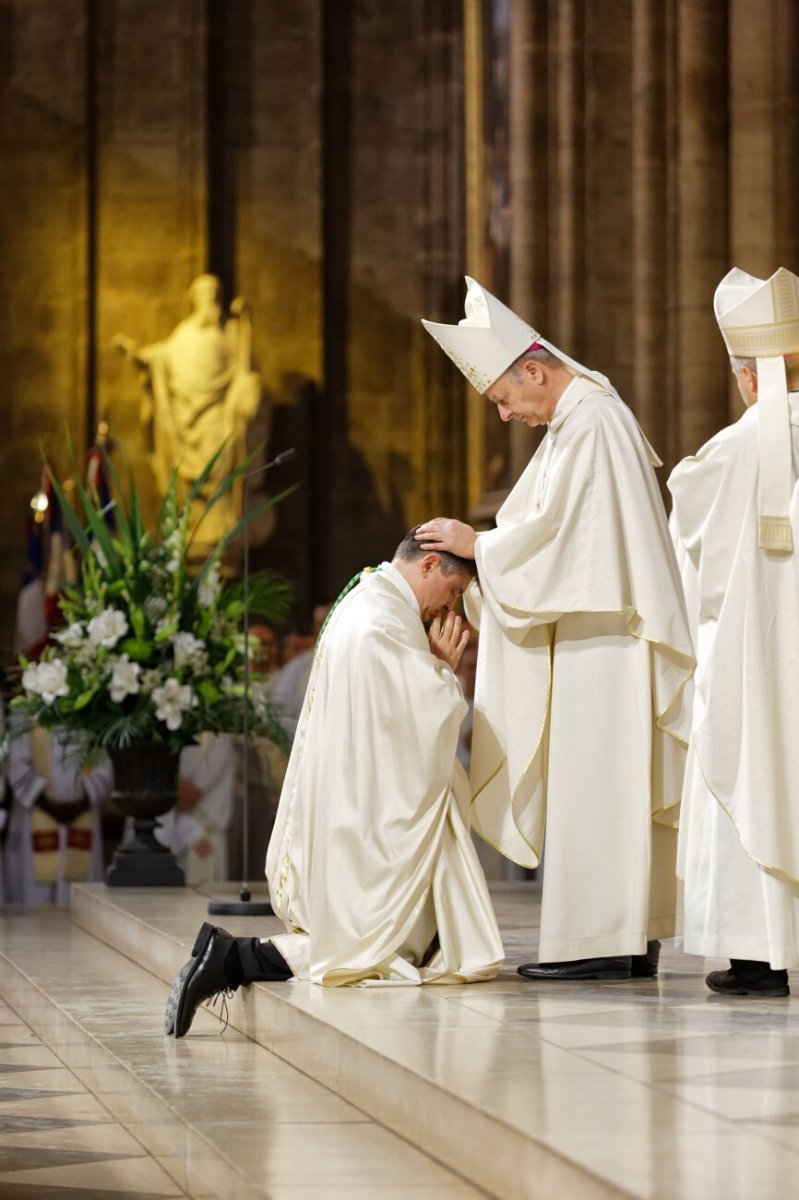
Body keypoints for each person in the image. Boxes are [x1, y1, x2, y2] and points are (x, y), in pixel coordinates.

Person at [418, 277, 695, 981]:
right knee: (598, 784)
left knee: (596, 782)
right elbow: (547, 527)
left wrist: (476, 547)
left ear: (534, 369)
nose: (508, 415)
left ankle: (602, 943)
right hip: (590, 636)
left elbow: (569, 540)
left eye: (505, 399)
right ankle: (621, 941)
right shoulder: (580, 421)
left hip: (603, 642)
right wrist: (488, 549)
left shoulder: (592, 421)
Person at [164, 529, 504, 1037]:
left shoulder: (369, 597)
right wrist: (442, 672)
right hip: (369, 820)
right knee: (372, 949)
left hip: (356, 804)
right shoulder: (383, 623)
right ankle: (234, 956)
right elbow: (421, 722)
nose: (449, 607)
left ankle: (231, 956)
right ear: (429, 565)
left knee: (394, 941)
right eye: (454, 592)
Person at [668, 266, 799, 998]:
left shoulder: (734, 449)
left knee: (753, 771)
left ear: (749, 378)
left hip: (754, 655)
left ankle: (756, 954)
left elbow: (691, 534)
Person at [113, 274, 264, 546]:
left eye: (214, 293)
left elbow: (244, 368)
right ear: (195, 299)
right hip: (187, 417)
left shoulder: (231, 333)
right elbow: (158, 358)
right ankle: (196, 522)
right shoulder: (183, 335)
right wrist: (134, 355)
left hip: (219, 413)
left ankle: (221, 520)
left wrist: (247, 327)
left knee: (221, 462)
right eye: (204, 294)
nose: (210, 300)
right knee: (190, 472)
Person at [3, 723, 113, 907]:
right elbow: (16, 764)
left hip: (82, 811)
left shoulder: (90, 718)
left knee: (81, 895)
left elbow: (103, 763)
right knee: (37, 896)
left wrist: (82, 802)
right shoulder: (27, 718)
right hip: (35, 812)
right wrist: (47, 805)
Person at [154, 732, 236, 885]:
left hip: (205, 828)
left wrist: (158, 790)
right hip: (169, 827)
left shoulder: (219, 737)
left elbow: (189, 793)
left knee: (199, 900)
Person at [269, 603, 332, 739]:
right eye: (322, 624)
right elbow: (278, 713)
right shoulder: (296, 667)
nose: (328, 629)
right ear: (315, 629)